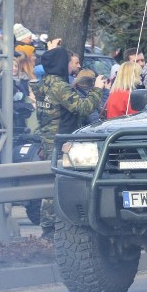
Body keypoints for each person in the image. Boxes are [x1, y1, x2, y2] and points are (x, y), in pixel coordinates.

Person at [34, 38, 103, 239]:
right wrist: (97, 90)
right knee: (58, 183)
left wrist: (52, 51)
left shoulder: (44, 83)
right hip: (62, 140)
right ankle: (50, 228)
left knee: (53, 182)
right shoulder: (59, 86)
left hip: (48, 137)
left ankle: (49, 226)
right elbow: (82, 107)